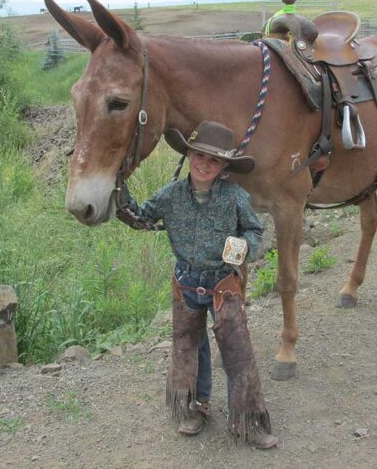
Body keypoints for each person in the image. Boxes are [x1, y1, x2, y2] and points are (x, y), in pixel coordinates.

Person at [116, 121, 278, 449]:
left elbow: (255, 231)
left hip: (223, 283)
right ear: (189, 154)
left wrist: (244, 246)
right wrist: (118, 188)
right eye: (199, 155)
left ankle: (247, 420)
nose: (205, 163)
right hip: (186, 283)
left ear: (224, 166)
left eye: (214, 160)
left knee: (237, 351)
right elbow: (143, 218)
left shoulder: (235, 197)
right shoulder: (170, 195)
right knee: (187, 349)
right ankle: (194, 407)